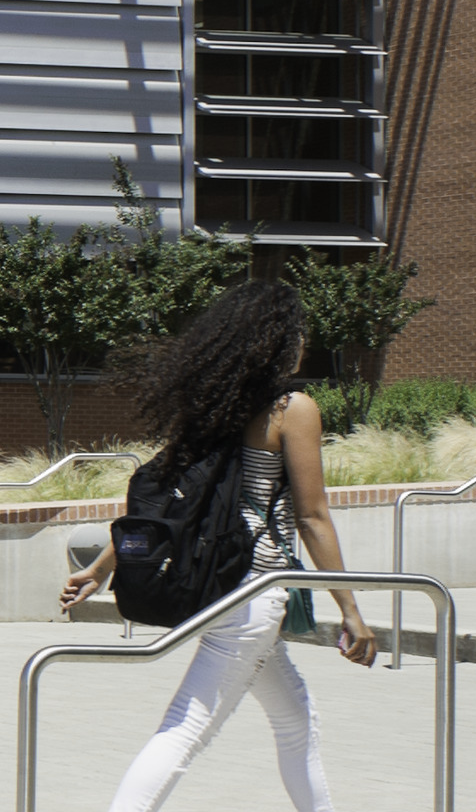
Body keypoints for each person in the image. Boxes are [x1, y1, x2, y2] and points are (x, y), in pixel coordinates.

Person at [60, 281, 372, 812]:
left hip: (222, 589)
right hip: (252, 593)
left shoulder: (216, 405)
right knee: (186, 728)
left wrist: (101, 567)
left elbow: (167, 506)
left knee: (295, 717)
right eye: (299, 334)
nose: (304, 343)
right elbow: (313, 516)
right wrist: (352, 610)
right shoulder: (291, 408)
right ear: (278, 340)